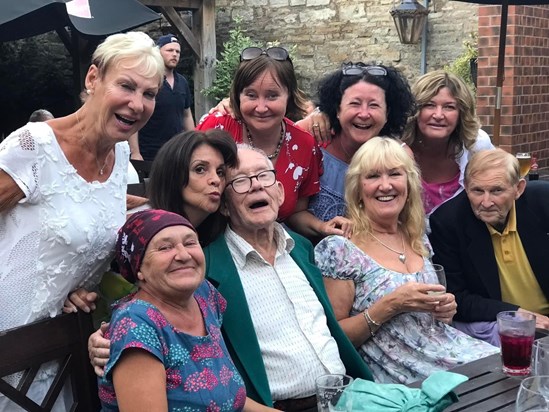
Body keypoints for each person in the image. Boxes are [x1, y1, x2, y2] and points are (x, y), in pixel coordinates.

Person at [89, 145, 372, 410]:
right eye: (240, 181)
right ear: (224, 205)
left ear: (281, 192)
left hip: (343, 395)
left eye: (264, 176)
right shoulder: (203, 275)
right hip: (275, 402)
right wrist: (106, 336)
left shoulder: (302, 249)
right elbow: (143, 311)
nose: (257, 185)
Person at [0, 31, 164, 411]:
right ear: (93, 79)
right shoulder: (34, 147)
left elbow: (87, 219)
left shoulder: (120, 155)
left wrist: (75, 286)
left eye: (149, 94)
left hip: (58, 351)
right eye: (126, 85)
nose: (137, 103)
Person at [315, 137, 498, 384]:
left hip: (452, 354)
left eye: (394, 174)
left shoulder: (417, 236)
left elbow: (433, 321)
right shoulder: (341, 249)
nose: (385, 185)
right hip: (408, 378)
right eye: (372, 176)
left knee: (518, 371)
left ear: (409, 184)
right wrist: (391, 304)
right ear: (357, 188)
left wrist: (446, 309)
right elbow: (335, 339)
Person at [99, 209, 272, 411]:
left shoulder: (203, 295)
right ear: (139, 268)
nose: (183, 255)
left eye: (190, 243)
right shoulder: (136, 325)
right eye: (165, 248)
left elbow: (231, 400)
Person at [197, 47, 351, 240]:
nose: (261, 107)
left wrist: (322, 226)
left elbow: (295, 213)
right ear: (237, 95)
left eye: (272, 96)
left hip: (270, 245)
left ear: (289, 95)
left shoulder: (304, 145)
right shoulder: (217, 128)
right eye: (251, 95)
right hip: (210, 244)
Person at [429, 149, 549, 344]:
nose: (486, 202)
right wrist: (515, 314)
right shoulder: (448, 222)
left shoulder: (543, 202)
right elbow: (457, 296)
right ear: (466, 188)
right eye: (477, 191)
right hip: (501, 329)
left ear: (518, 189)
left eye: (496, 191)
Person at [303, 62, 415, 224]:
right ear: (338, 109)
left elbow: (407, 219)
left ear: (387, 112)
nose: (364, 114)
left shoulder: (400, 156)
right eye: (354, 104)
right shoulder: (312, 137)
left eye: (374, 105)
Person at [401, 70, 494, 216]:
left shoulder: (476, 146)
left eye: (449, 107)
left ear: (461, 113)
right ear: (415, 110)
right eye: (429, 105)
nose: (438, 115)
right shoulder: (395, 148)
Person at [147, 129, 238, 246]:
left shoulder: (224, 235)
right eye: (200, 169)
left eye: (220, 172)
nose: (216, 180)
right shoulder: (147, 233)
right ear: (171, 175)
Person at [130, 34, 195, 161]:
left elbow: (187, 115)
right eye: (170, 50)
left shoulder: (182, 82)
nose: (174, 54)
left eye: (177, 51)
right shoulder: (148, 80)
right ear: (158, 52)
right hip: (150, 153)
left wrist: (194, 144)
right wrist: (135, 152)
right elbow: (134, 117)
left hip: (177, 152)